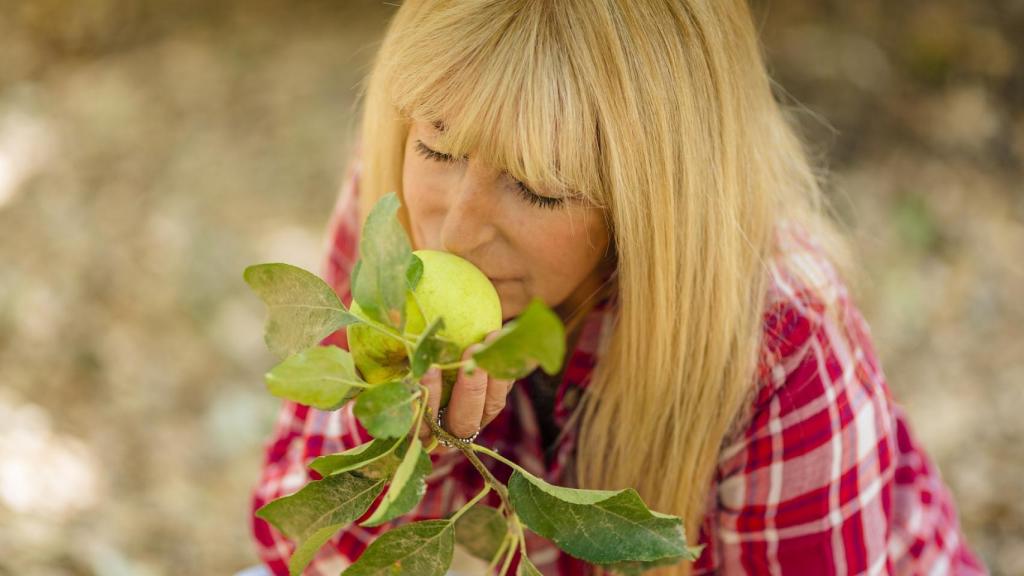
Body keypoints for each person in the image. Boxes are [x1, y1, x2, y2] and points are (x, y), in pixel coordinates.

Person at [248, 1, 988, 574]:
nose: (453, 234)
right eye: (438, 146)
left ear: (651, 202)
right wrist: (398, 446)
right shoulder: (399, 214)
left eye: (537, 189)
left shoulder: (784, 346)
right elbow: (294, 546)